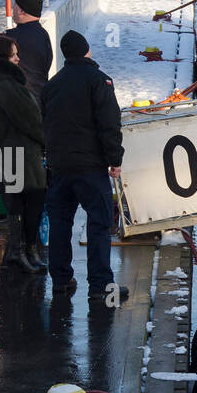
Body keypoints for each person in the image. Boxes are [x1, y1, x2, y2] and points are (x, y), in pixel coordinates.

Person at [40, 30, 125, 299]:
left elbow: (45, 125)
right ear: (87, 50)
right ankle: (101, 286)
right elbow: (109, 124)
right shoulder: (100, 81)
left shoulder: (52, 85)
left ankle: (61, 279)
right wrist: (115, 159)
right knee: (99, 224)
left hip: (60, 167)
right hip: (90, 167)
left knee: (60, 224)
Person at [0, 34, 47, 273]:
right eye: (14, 55)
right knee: (31, 200)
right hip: (21, 152)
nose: (18, 59)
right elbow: (30, 120)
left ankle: (21, 251)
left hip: (9, 150)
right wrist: (46, 141)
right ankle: (23, 250)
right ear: (3, 59)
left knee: (17, 201)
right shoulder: (8, 86)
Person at [4, 0, 53, 100]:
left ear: (22, 11)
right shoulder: (43, 35)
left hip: (22, 101)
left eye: (15, 8)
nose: (13, 11)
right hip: (42, 96)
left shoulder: (11, 37)